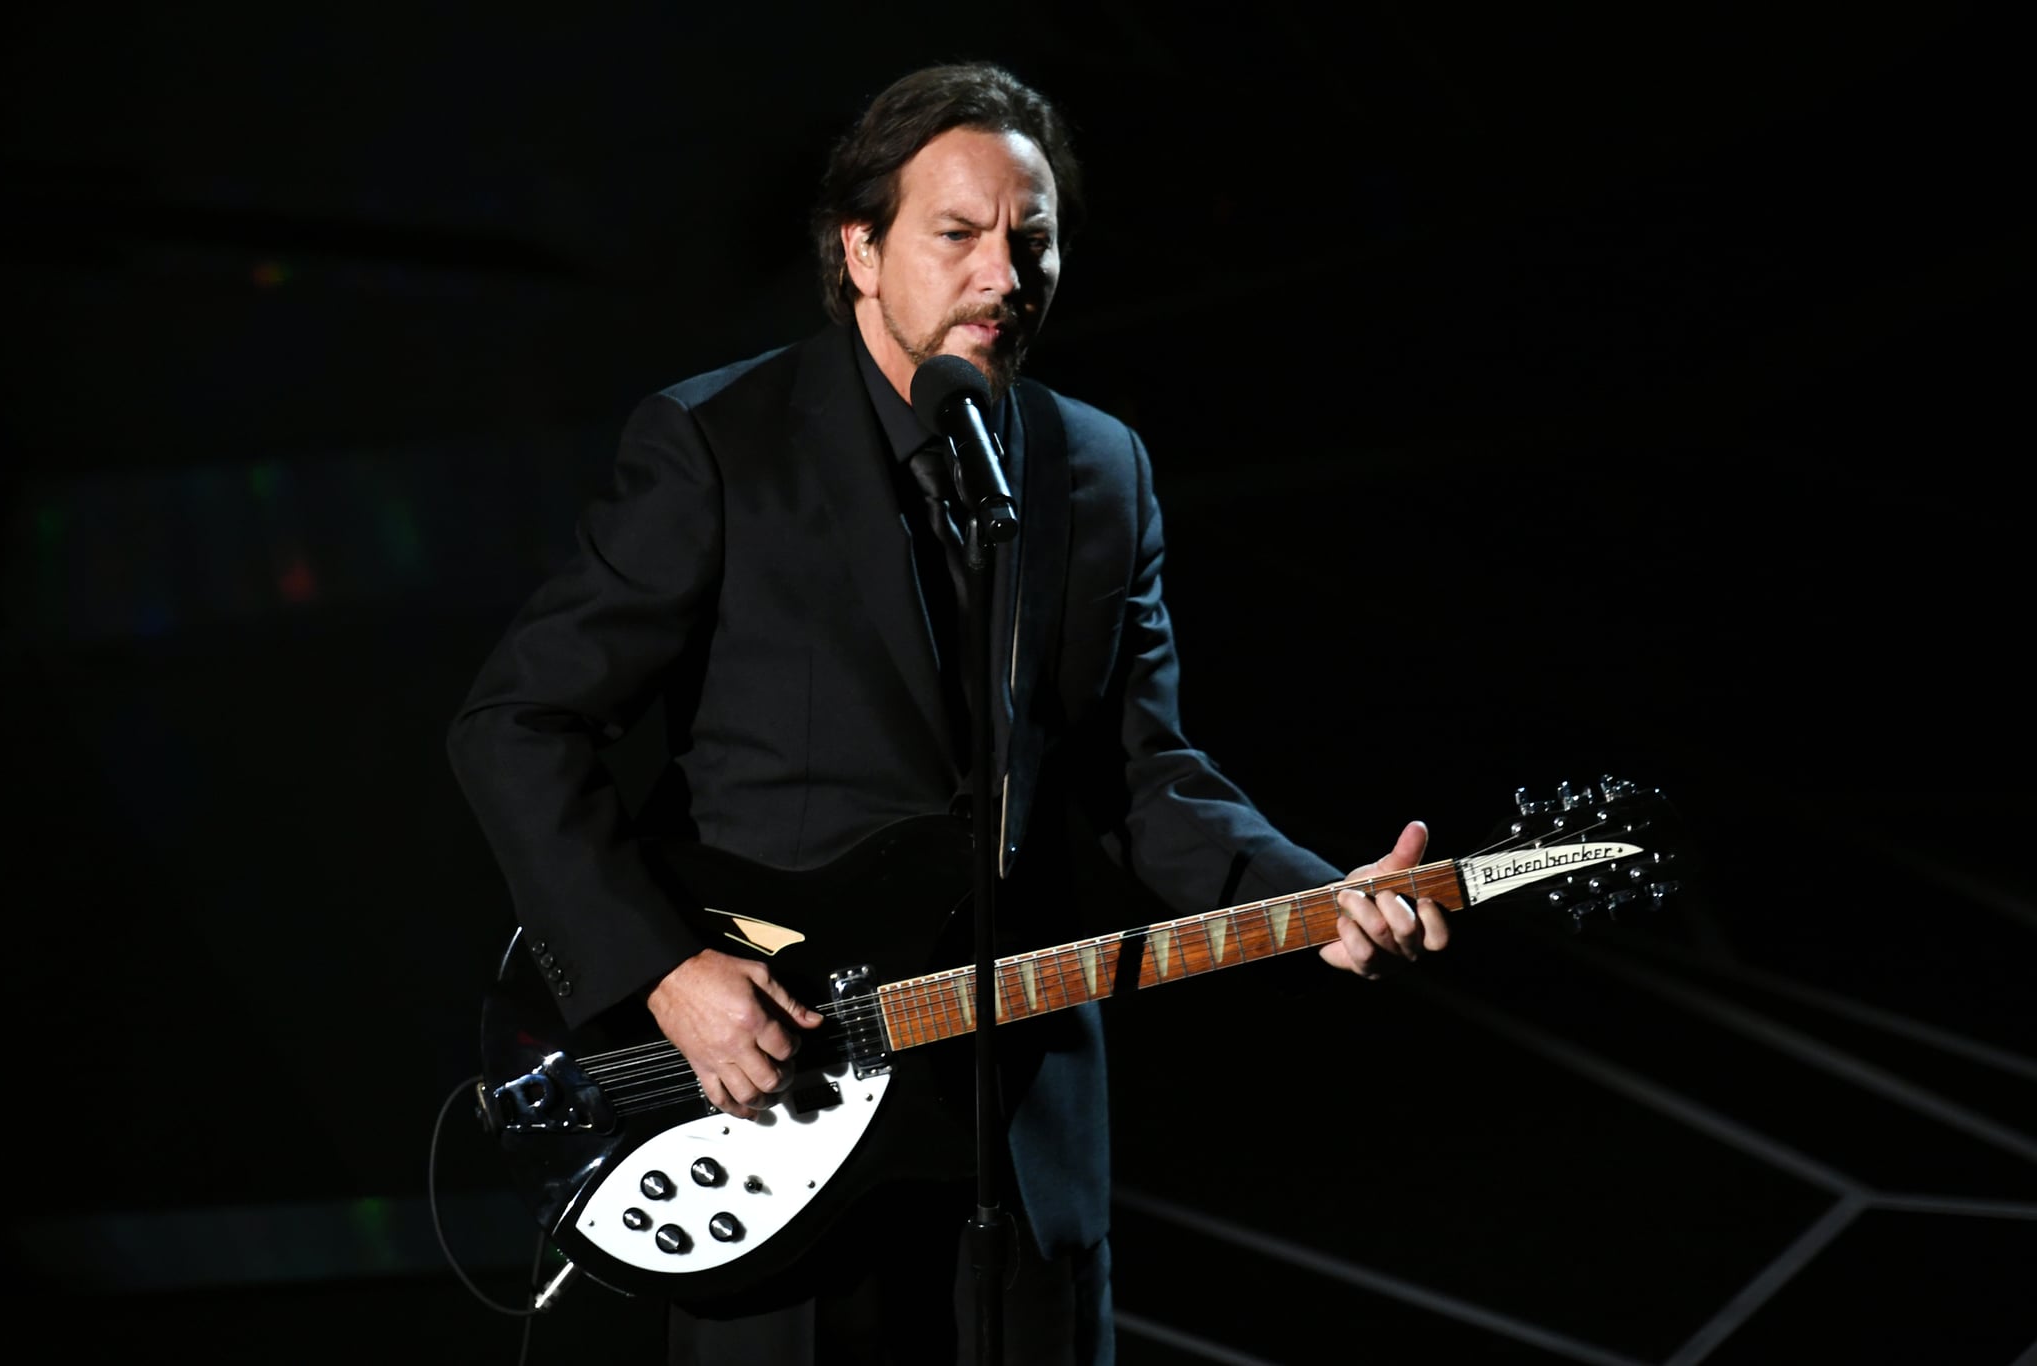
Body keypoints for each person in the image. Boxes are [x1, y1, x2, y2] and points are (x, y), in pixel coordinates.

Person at [447, 60, 1450, 1365]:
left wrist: (1323, 895)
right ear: (860, 250)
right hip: (774, 1110)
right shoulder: (719, 444)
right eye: (960, 235)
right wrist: (665, 972)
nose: (1004, 275)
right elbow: (517, 719)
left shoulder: (1097, 467)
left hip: (1021, 1138)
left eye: (1033, 241)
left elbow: (1143, 773)